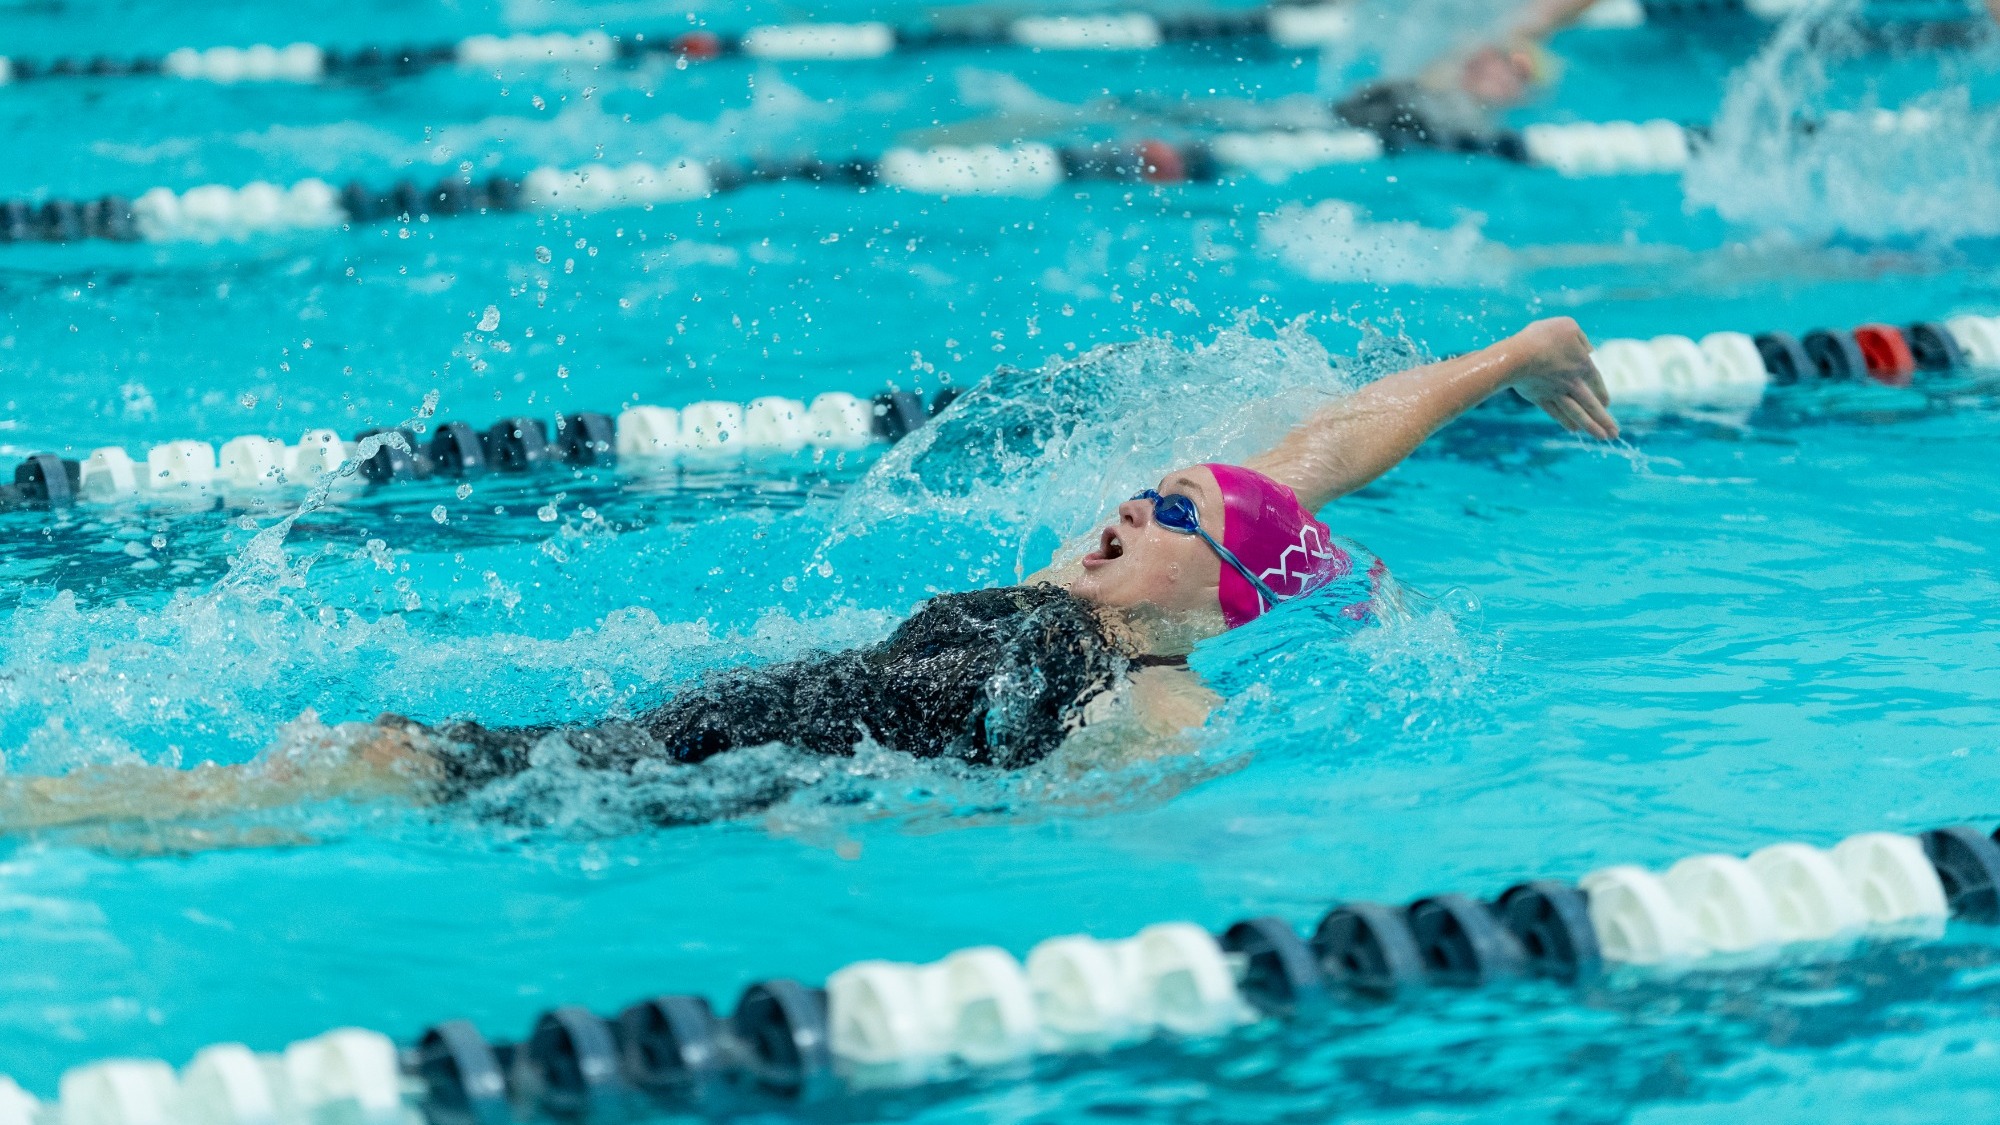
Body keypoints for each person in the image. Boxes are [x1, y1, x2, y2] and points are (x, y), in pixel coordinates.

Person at [0, 317, 1614, 839]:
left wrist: (862, 829)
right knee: (361, 762)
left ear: (1227, 586)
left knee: (347, 770)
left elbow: (1079, 833)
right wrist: (1517, 352)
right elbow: (1331, 442)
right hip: (695, 733)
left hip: (713, 789)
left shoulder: (1151, 694)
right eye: (1143, 483)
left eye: (1178, 505)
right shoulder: (1064, 594)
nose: (1136, 494)